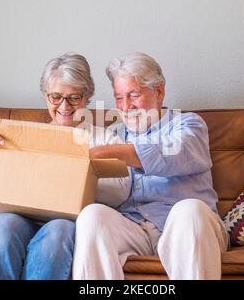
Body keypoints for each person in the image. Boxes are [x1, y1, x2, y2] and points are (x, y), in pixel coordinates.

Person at [0, 53, 128, 280]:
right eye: (56, 96)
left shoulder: (104, 140)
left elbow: (121, 191)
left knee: (59, 231)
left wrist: (79, 173)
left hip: (66, 225)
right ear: (44, 96)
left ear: (87, 97)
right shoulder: (23, 136)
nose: (64, 106)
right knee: (3, 229)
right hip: (15, 219)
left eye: (74, 97)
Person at [72, 52, 229, 280]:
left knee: (189, 211)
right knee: (92, 216)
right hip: (132, 228)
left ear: (159, 91)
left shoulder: (188, 125)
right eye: (118, 98)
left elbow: (173, 152)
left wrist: (109, 152)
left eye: (134, 95)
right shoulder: (112, 134)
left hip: (184, 228)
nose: (125, 106)